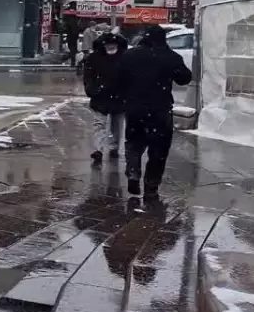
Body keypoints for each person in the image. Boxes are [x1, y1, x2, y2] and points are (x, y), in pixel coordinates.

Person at [117, 25, 193, 199]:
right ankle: (151, 184)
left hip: (135, 108)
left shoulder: (130, 56)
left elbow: (119, 79)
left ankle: (133, 171)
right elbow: (184, 78)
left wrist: (125, 98)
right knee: (159, 148)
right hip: (160, 109)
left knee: (134, 143)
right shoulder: (170, 57)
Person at [82, 31, 128, 164]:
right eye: (108, 44)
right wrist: (92, 89)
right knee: (99, 124)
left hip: (119, 96)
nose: (110, 47)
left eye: (113, 44)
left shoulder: (124, 57)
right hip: (101, 96)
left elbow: (130, 76)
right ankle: (98, 149)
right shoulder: (94, 58)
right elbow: (88, 76)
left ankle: (114, 147)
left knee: (116, 125)